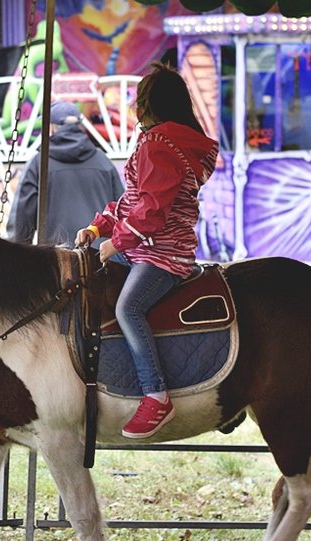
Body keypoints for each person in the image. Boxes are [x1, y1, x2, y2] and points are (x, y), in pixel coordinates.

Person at [74, 62, 218, 439]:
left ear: (151, 105)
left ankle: (156, 395)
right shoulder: (167, 141)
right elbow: (135, 199)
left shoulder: (160, 144)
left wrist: (115, 242)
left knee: (128, 307)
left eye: (139, 101)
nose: (135, 109)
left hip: (161, 253)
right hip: (149, 245)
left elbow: (151, 212)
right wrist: (98, 226)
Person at [6, 101, 124, 246]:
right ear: (80, 126)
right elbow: (123, 210)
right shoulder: (103, 162)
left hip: (57, 261)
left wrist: (18, 256)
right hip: (101, 260)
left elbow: (21, 220)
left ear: (50, 127)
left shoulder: (39, 163)